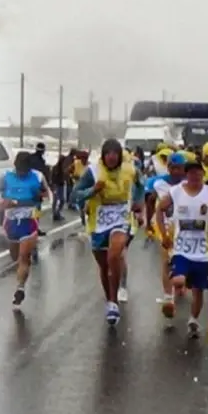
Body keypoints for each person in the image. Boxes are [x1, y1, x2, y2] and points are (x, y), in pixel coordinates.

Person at [156, 158, 208, 338]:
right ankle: (171, 298)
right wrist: (164, 235)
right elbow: (159, 210)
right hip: (181, 248)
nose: (195, 175)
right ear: (187, 174)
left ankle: (193, 320)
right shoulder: (175, 192)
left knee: (198, 290)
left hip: (202, 251)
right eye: (191, 172)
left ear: (203, 173)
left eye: (198, 172)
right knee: (179, 280)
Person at [74, 138, 144, 325]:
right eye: (108, 154)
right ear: (103, 156)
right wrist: (92, 191)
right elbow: (75, 194)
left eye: (115, 154)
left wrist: (138, 203)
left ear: (120, 156)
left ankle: (114, 300)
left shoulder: (130, 169)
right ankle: (110, 301)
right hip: (98, 224)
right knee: (104, 267)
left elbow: (141, 184)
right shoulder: (93, 172)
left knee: (114, 255)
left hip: (121, 220)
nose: (111, 157)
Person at [0, 151, 50, 307]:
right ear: (15, 166)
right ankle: (20, 278)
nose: (21, 173)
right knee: (15, 256)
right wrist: (3, 202)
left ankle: (20, 288)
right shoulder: (6, 177)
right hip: (10, 222)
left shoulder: (37, 176)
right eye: (19, 170)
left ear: (29, 168)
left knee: (24, 256)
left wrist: (40, 195)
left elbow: (48, 194)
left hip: (29, 220)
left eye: (24, 170)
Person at [147, 152, 187, 315]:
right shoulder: (158, 183)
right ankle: (168, 297)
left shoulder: (189, 184)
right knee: (167, 260)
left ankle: (180, 283)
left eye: (179, 168)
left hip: (184, 229)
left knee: (182, 259)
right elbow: (150, 202)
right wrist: (149, 223)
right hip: (164, 227)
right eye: (173, 168)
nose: (176, 172)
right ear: (168, 168)